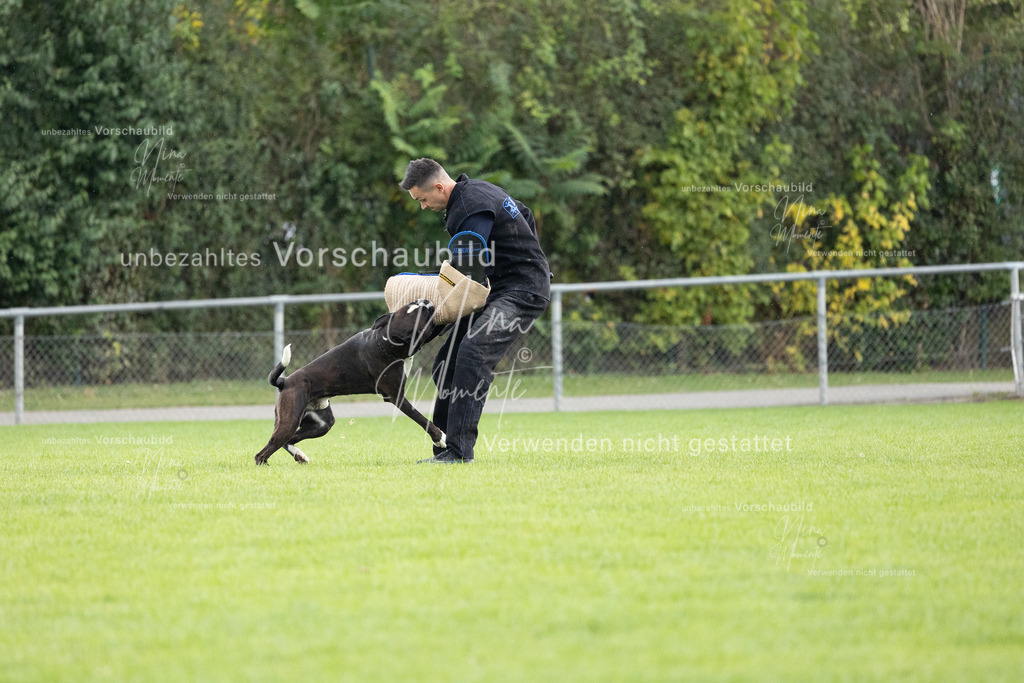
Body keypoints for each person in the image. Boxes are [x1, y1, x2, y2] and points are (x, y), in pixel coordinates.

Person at [399, 158, 551, 464]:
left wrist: (435, 312)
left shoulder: (468, 208)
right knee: (446, 364)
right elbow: (524, 212)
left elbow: (468, 267)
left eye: (423, 199)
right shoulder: (479, 192)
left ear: (439, 187)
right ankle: (444, 447)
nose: (423, 207)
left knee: (472, 353)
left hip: (522, 290)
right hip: (499, 290)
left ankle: (459, 451)